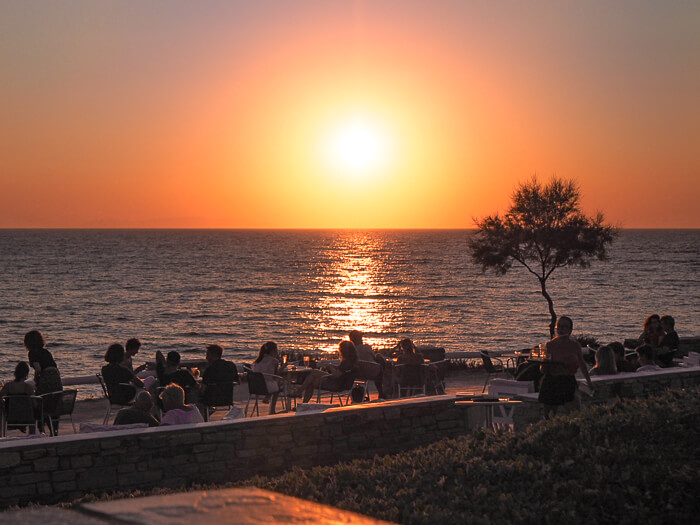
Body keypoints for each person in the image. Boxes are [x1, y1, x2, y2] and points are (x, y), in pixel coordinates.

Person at [538, 316, 593, 419]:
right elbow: (543, 369)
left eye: (565, 327)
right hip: (552, 382)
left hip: (567, 381)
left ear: (570, 330)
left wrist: (589, 382)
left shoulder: (575, 346)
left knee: (576, 414)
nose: (561, 329)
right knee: (549, 417)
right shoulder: (550, 345)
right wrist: (545, 364)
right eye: (559, 327)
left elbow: (582, 364)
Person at [293, 340, 358, 403]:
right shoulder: (352, 362)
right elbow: (342, 371)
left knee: (314, 374)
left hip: (337, 385)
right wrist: (334, 367)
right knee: (312, 380)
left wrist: (330, 368)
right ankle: (302, 400)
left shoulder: (346, 363)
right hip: (344, 384)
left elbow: (336, 375)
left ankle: (300, 393)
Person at [201, 344, 240, 408]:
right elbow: (238, 381)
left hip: (211, 400)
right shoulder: (231, 365)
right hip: (227, 399)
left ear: (214, 355)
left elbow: (203, 389)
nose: (206, 358)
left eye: (208, 355)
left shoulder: (210, 369)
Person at [24, 330, 62, 395]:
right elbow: (57, 370)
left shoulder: (32, 353)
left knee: (39, 397)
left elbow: (38, 369)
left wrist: (35, 379)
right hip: (56, 379)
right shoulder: (46, 352)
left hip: (46, 378)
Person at [252, 341, 284, 415]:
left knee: (276, 382)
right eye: (276, 351)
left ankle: (268, 397)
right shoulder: (273, 361)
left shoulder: (258, 360)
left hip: (255, 387)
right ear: (273, 351)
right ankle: (272, 409)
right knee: (279, 382)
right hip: (266, 387)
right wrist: (283, 366)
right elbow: (277, 374)